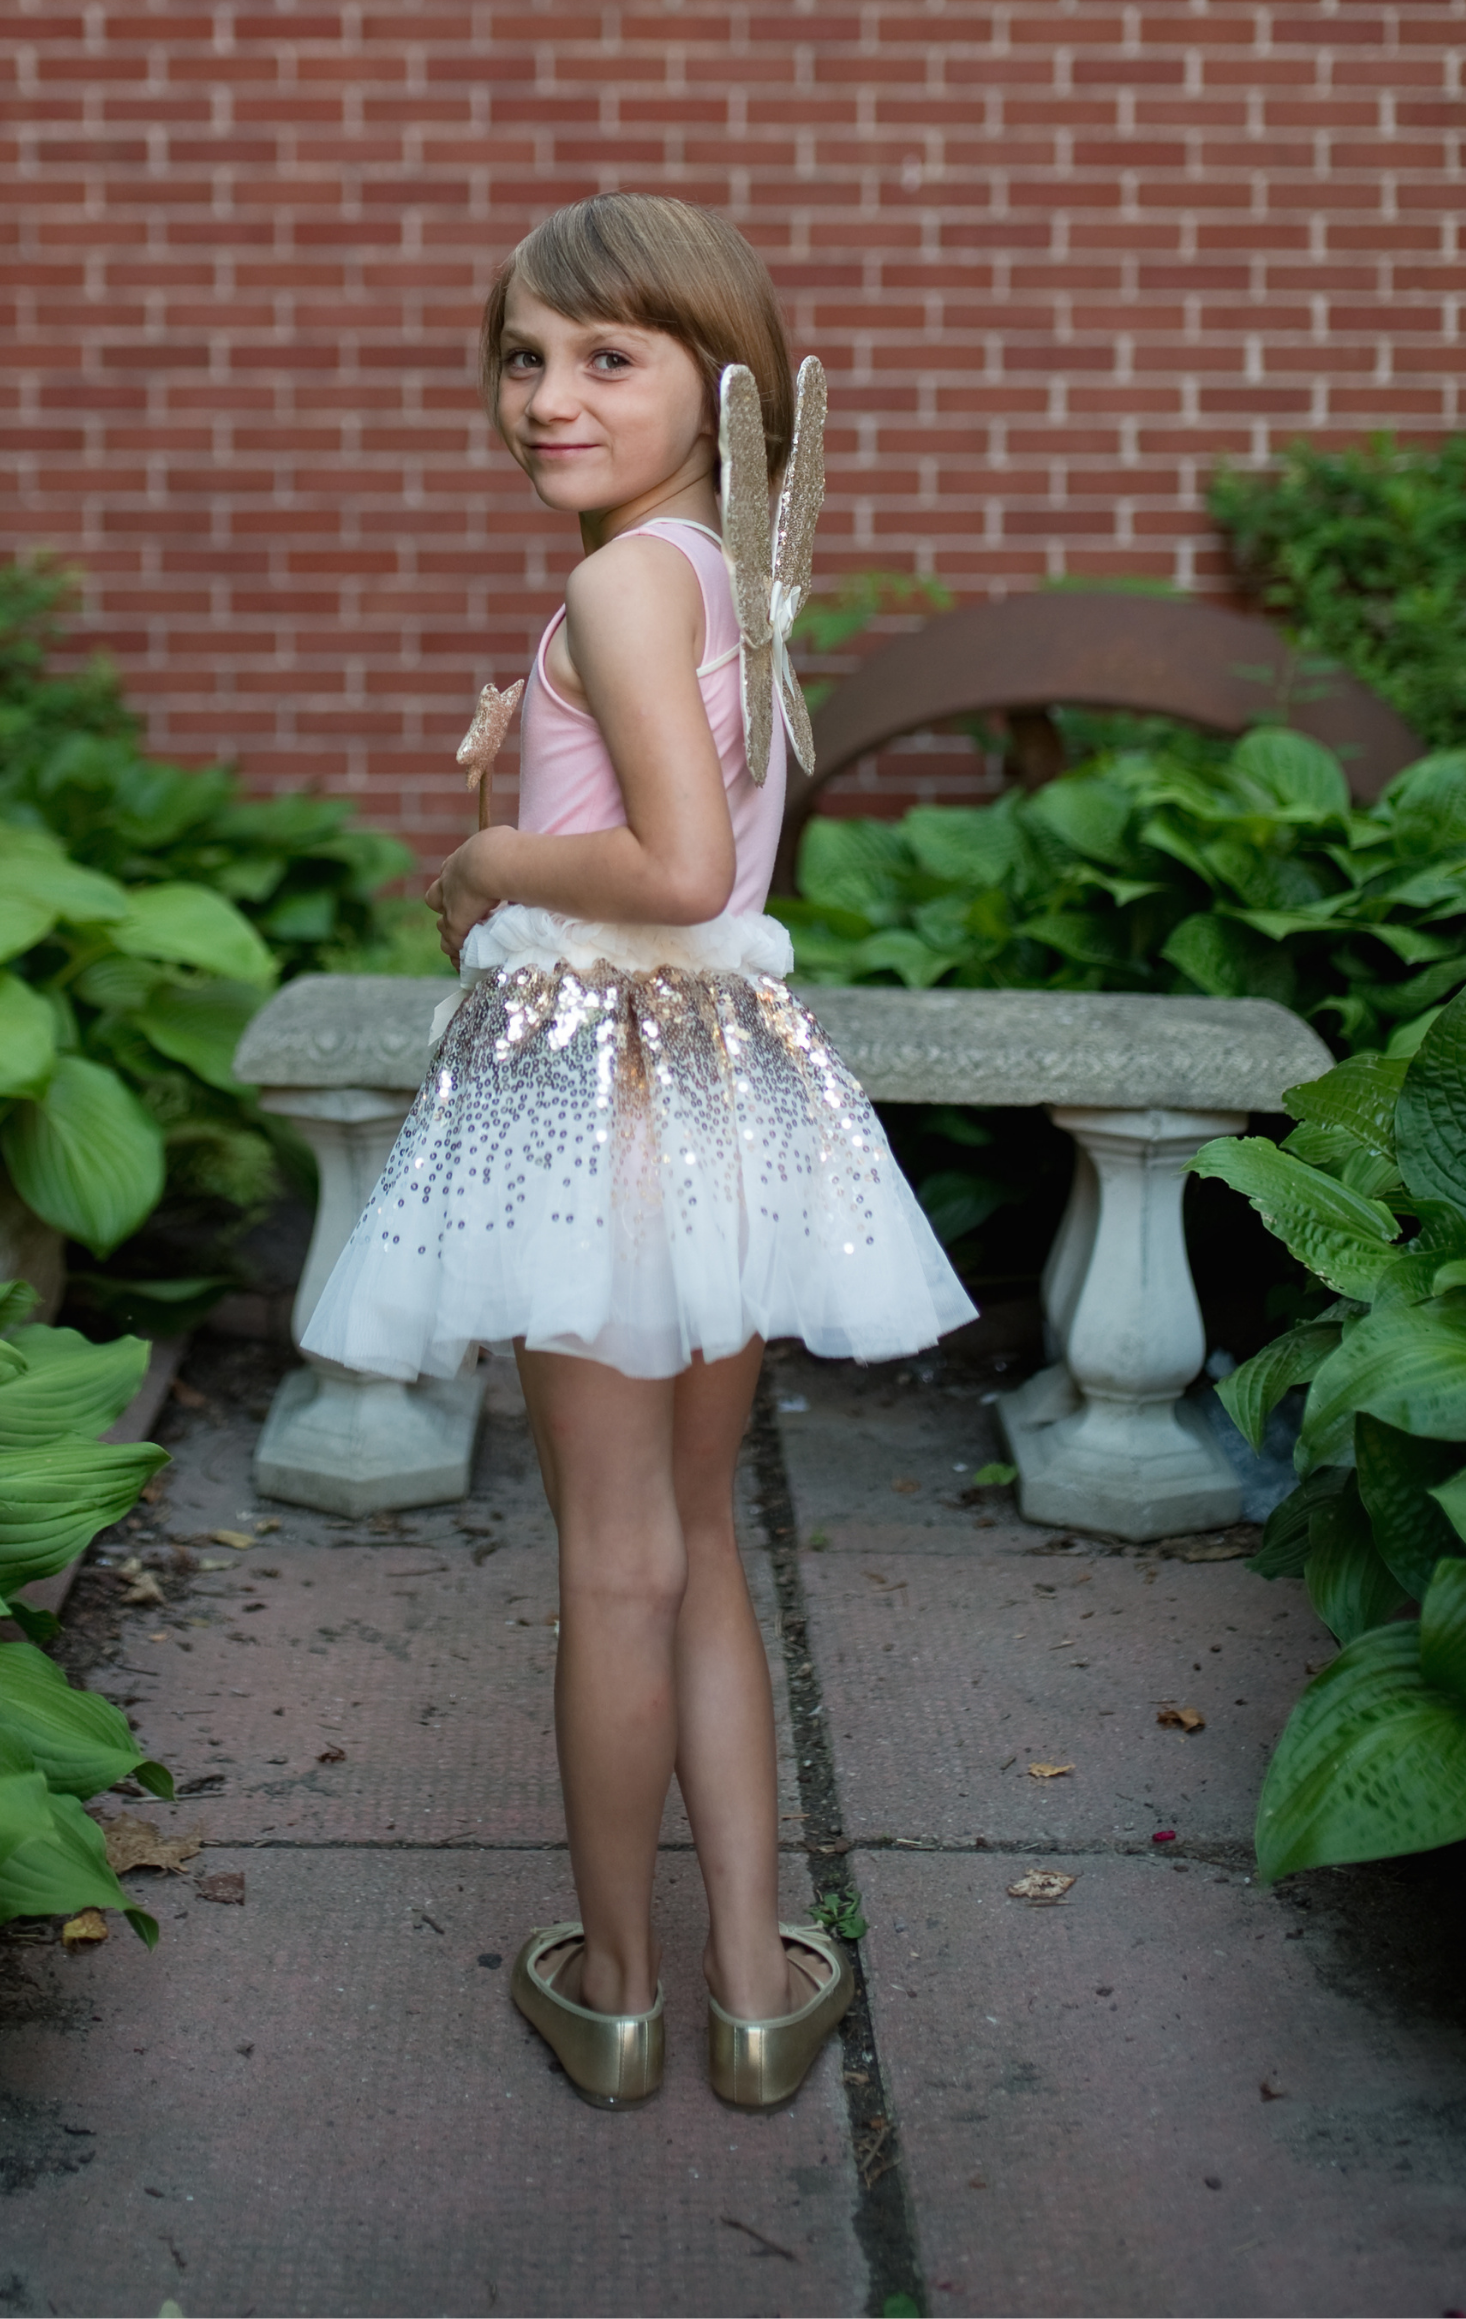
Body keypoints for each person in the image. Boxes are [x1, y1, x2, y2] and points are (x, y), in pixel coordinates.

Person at [304, 194, 976, 2110]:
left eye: (607, 358)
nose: (546, 396)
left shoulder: (617, 583)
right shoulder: (719, 568)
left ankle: (611, 1992)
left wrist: (489, 855)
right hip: (730, 1086)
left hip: (592, 1077)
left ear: (717, 378)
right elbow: (711, 830)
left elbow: (673, 874)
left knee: (613, 1560)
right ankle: (758, 1991)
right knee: (698, 1547)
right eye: (522, 356)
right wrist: (542, 743)